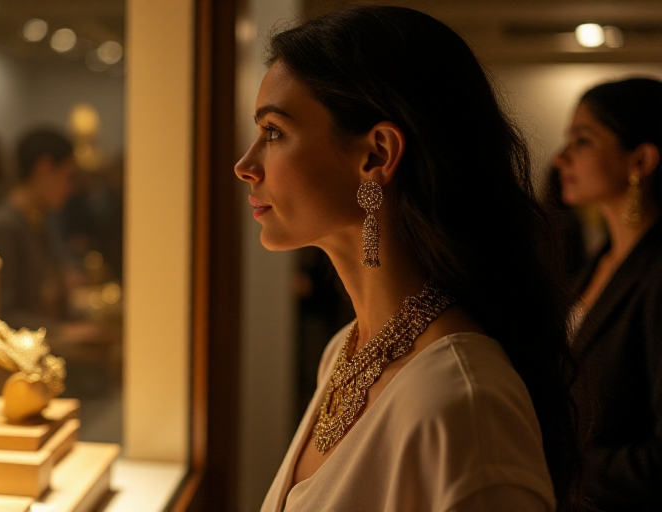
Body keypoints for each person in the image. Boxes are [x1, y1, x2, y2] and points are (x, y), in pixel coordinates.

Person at [236, 7, 580, 511]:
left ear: (376, 155)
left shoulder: (463, 401)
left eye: (273, 132)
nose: (245, 166)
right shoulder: (345, 353)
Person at [553, 77, 662, 511]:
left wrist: (553, 464)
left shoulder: (656, 273)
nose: (560, 157)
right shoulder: (596, 264)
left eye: (582, 140)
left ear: (640, 159)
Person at [0, 128, 99, 343]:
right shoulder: (6, 226)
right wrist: (61, 331)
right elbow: (1, 314)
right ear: (44, 168)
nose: (71, 188)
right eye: (68, 177)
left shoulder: (35, 218)